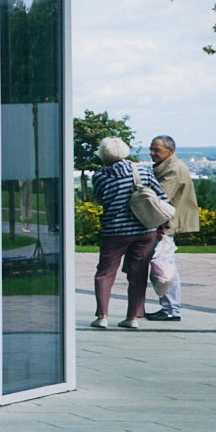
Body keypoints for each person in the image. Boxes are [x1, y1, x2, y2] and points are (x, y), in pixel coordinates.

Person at [89, 135, 168, 331]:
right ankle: (132, 317)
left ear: (104, 155)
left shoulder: (99, 176)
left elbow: (100, 200)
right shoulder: (142, 171)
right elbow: (162, 197)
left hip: (114, 231)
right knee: (138, 273)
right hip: (144, 229)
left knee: (105, 273)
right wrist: (162, 226)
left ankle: (102, 316)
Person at [148, 134, 198, 322]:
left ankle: (171, 309)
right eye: (151, 149)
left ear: (171, 150)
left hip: (166, 224)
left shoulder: (173, 169)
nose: (152, 153)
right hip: (166, 223)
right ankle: (169, 308)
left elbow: (160, 197)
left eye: (157, 150)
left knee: (164, 268)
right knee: (165, 266)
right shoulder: (169, 167)